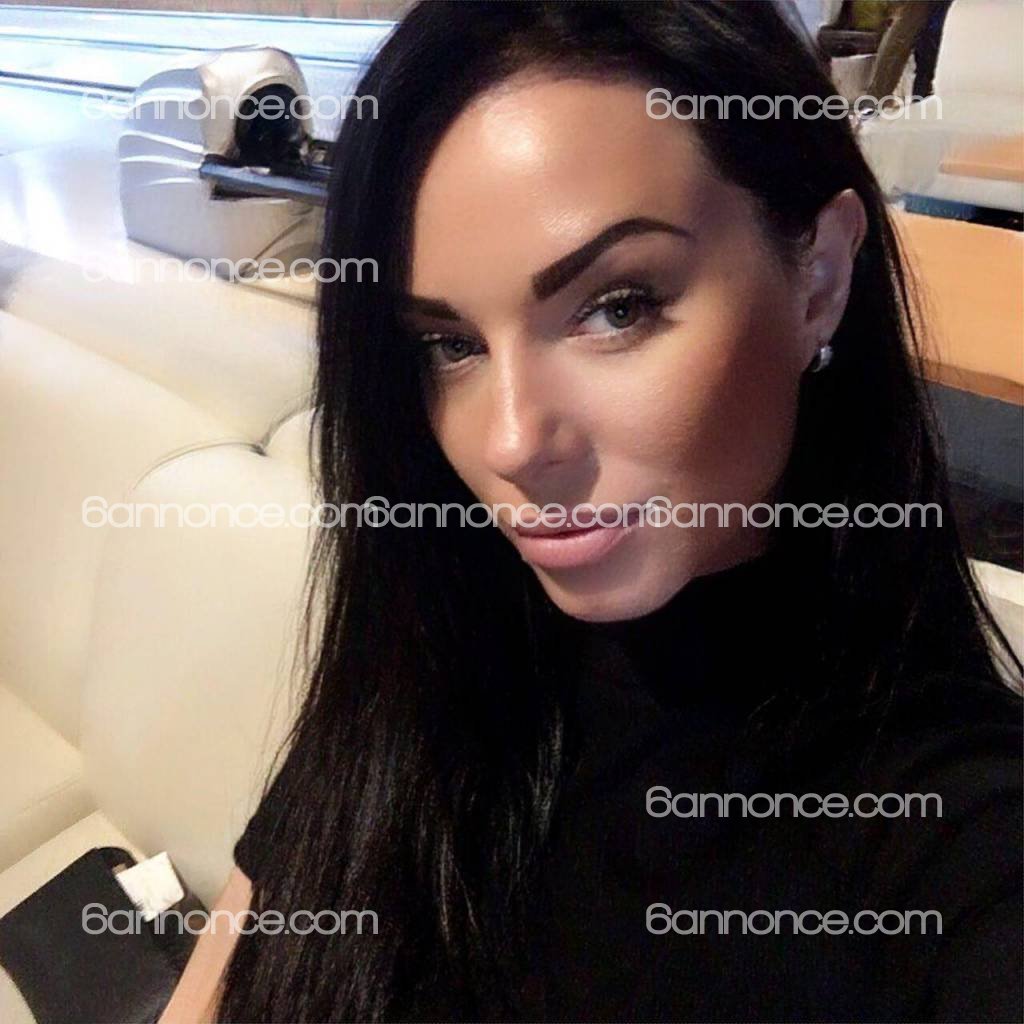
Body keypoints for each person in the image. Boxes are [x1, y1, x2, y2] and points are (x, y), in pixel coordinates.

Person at [158, 2, 1023, 1021]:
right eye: (450, 345)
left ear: (818, 280)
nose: (510, 441)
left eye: (617, 307)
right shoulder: (427, 652)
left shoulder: (948, 831)